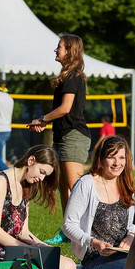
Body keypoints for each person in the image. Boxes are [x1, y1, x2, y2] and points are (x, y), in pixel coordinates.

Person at [0, 144, 77, 269]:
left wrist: (42, 246)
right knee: (60, 267)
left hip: (14, 249)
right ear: (30, 160)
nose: (41, 179)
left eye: (45, 176)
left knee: (69, 265)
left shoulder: (26, 187)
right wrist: (30, 249)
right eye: (42, 172)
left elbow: (23, 232)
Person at [28, 34, 90, 244]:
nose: (55, 50)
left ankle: (84, 230)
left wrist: (42, 119)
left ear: (70, 50)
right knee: (64, 186)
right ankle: (69, 230)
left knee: (75, 185)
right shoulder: (67, 76)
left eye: (59, 47)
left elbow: (65, 108)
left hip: (74, 136)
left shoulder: (74, 76)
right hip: (62, 135)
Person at [63, 135, 135, 269]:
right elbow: (69, 225)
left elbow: (133, 225)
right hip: (95, 258)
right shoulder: (86, 184)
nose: (117, 163)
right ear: (101, 158)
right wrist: (93, 242)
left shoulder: (126, 186)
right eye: (111, 157)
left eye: (122, 158)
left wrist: (130, 236)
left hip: (124, 253)